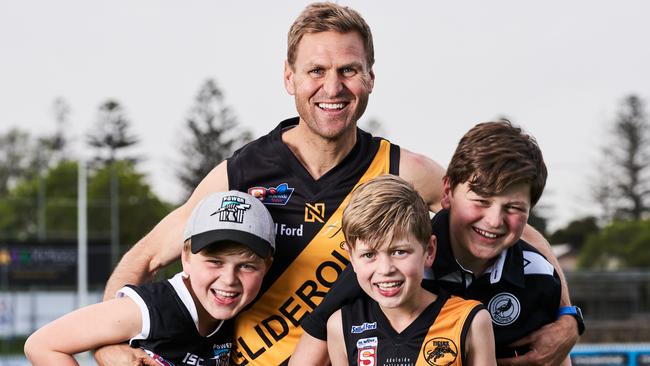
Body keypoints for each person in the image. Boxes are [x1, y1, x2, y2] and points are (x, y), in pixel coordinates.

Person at [96, 3, 578, 365]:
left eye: (349, 70)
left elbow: (506, 225)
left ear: (369, 78)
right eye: (316, 71)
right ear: (289, 78)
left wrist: (567, 319)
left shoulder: (403, 171)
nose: (333, 88)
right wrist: (113, 347)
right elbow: (142, 260)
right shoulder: (240, 175)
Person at [296, 121, 583, 365]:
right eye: (481, 201)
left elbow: (556, 353)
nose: (495, 220)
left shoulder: (537, 276)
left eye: (514, 208)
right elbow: (316, 343)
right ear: (447, 192)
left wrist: (569, 319)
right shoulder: (394, 256)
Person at [24, 191, 275, 366]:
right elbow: (42, 345)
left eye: (246, 266)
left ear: (267, 266)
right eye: (215, 262)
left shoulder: (243, 311)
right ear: (185, 257)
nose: (229, 279)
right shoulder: (149, 309)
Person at [326, 175, 496, 366]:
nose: (385, 269)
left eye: (399, 252)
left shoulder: (471, 321)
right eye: (369, 255)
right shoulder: (340, 326)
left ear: (429, 251)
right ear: (352, 258)